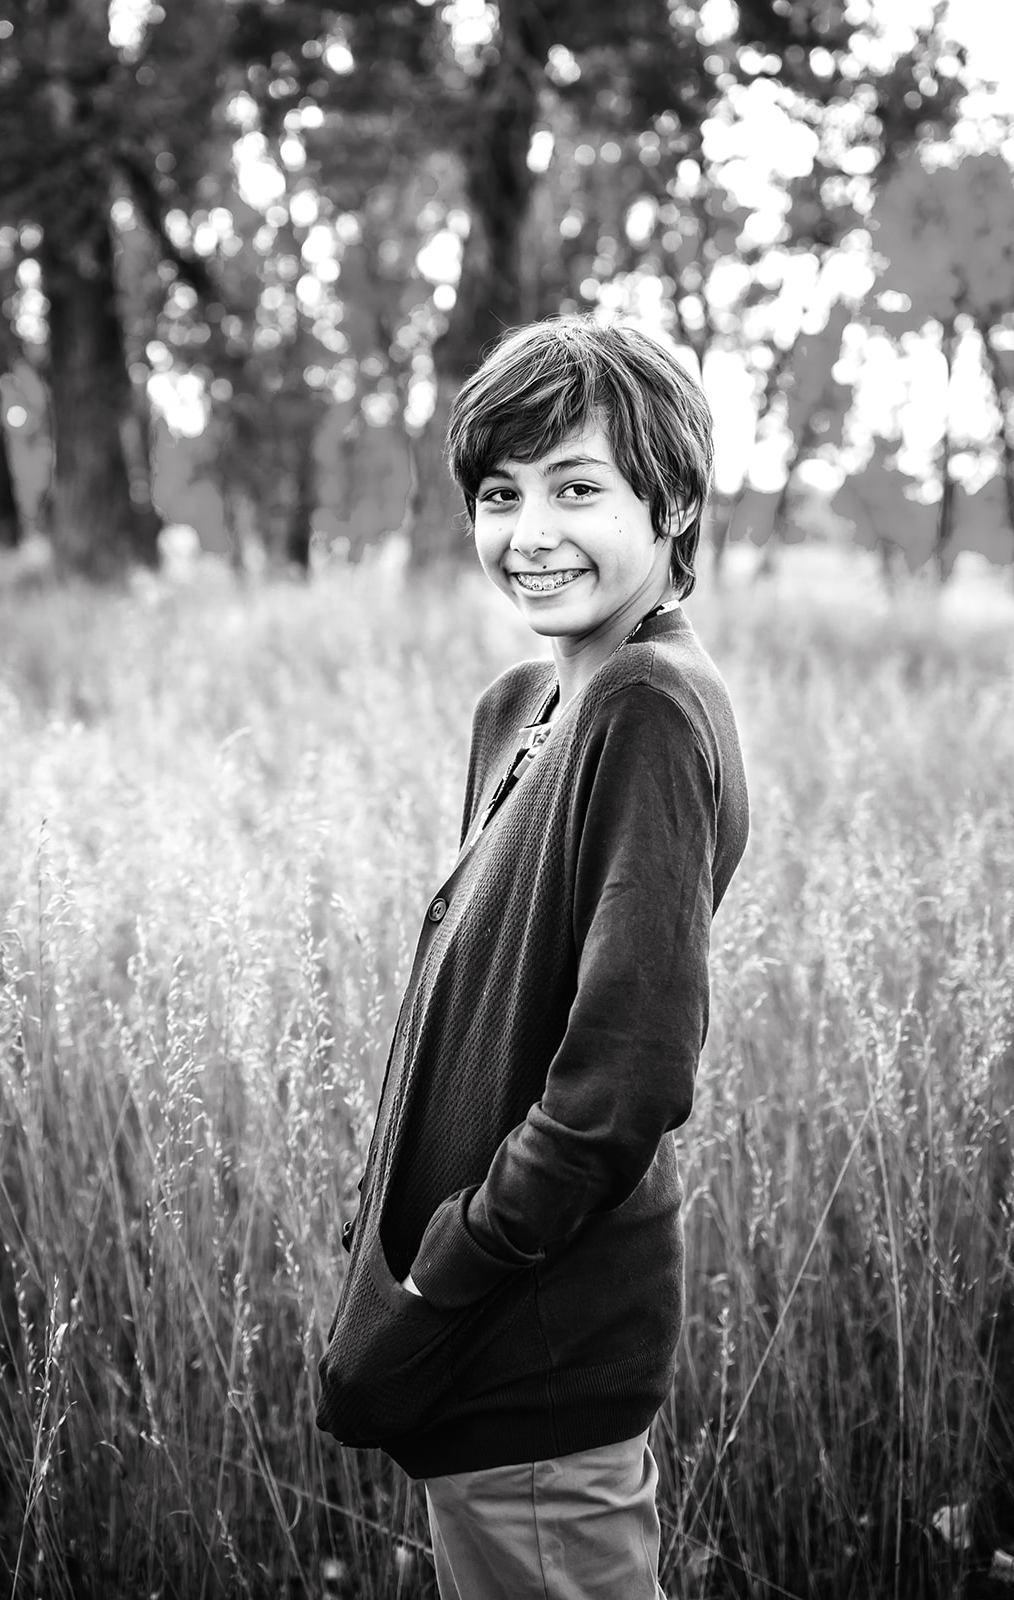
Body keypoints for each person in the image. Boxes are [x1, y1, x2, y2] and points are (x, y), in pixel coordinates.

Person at [316, 313, 750, 1600]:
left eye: (576, 488)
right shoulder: (522, 703)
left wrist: (443, 1270)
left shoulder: (644, 705)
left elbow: (624, 1080)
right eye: (500, 494)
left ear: (671, 502)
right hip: (470, 1330)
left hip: (536, 1340)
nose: (529, 532)